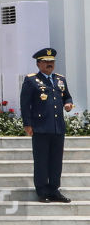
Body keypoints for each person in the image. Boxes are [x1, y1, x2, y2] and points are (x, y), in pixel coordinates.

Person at [22, 47, 75, 203]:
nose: (49, 64)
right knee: (41, 160)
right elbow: (25, 104)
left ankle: (54, 190)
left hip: (57, 127)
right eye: (46, 62)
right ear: (38, 64)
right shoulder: (31, 80)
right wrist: (27, 124)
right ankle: (42, 191)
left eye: (51, 62)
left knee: (56, 161)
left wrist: (69, 104)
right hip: (40, 127)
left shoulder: (60, 79)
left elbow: (67, 97)